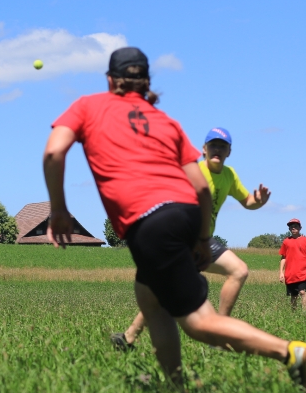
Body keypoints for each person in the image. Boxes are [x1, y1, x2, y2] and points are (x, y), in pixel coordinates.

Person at [43, 47, 306, 389]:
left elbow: (54, 152)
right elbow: (200, 187)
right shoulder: (165, 121)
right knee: (149, 298)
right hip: (185, 213)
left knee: (199, 323)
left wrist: (58, 209)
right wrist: (200, 238)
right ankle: (174, 386)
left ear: (110, 80)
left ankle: (290, 352)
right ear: (147, 82)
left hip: (150, 223)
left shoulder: (88, 105)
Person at [111, 127, 271, 350]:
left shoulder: (229, 175)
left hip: (204, 240)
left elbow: (247, 201)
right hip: (181, 238)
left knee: (238, 270)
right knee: (164, 291)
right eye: (213, 145)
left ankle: (219, 332)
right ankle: (128, 338)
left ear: (229, 152)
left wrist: (258, 202)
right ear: (204, 149)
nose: (217, 149)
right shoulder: (193, 171)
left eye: (222, 146)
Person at [279, 218, 306, 310]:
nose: (293, 228)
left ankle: (304, 312)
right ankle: (293, 312)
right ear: (289, 229)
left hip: (303, 272)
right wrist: (281, 272)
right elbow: (283, 257)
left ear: (300, 228)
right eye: (291, 226)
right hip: (290, 273)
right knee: (293, 295)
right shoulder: (286, 241)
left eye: (295, 226)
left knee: (302, 292)